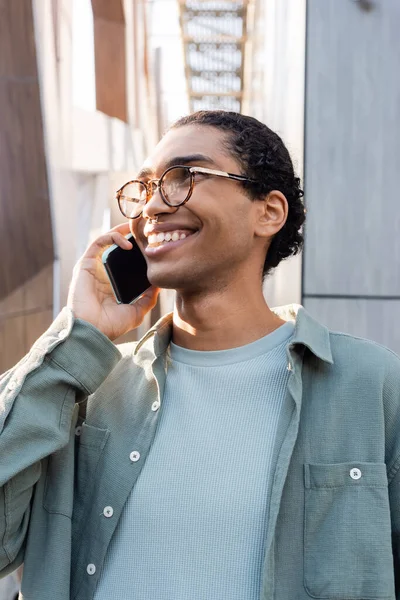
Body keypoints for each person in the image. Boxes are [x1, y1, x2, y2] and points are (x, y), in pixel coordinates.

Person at [0, 110, 399, 600]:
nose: (152, 207)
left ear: (268, 212)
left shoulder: (370, 384)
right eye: (144, 188)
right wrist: (79, 335)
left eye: (183, 177)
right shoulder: (87, 385)